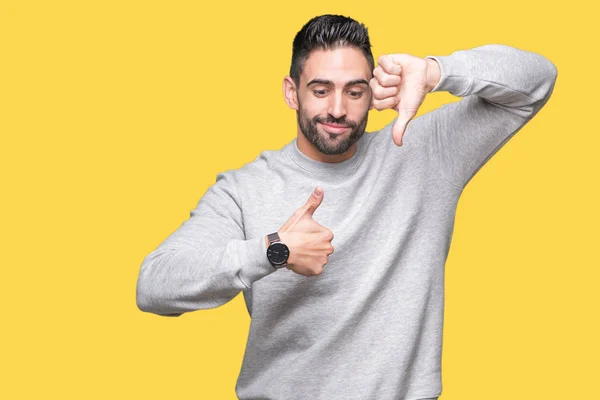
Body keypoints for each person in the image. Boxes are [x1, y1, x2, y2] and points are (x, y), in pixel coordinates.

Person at [136, 14, 557, 400]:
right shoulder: (245, 188)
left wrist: (435, 71)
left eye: (354, 92)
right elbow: (154, 286)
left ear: (373, 93)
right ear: (291, 92)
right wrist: (272, 251)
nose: (337, 109)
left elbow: (537, 80)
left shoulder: (423, 153)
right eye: (321, 90)